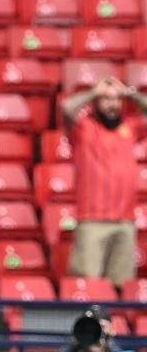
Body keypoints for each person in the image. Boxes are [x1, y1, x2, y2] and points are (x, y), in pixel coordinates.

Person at [62, 76, 147, 289]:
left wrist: (130, 93)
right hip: (92, 221)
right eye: (106, 99)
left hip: (125, 221)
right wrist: (93, 91)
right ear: (96, 102)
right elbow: (67, 108)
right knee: (88, 284)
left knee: (122, 286)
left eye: (117, 99)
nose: (113, 104)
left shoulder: (130, 127)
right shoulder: (84, 128)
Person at [44, 306, 140, 352]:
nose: (94, 332)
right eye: (88, 329)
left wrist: (107, 342)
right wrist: (73, 344)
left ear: (112, 330)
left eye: (101, 327)